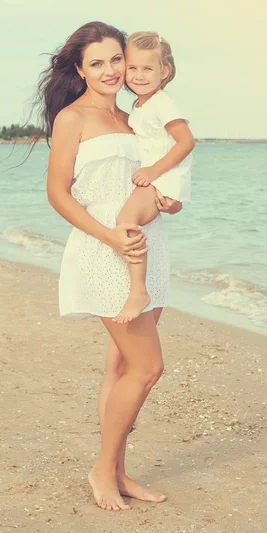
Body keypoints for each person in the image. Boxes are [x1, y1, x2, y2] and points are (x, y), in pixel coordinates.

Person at [43, 21, 182, 511]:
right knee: (148, 366)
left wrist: (166, 202)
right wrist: (107, 236)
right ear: (79, 68)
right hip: (104, 250)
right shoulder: (73, 118)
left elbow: (152, 179)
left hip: (149, 249)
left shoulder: (136, 119)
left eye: (115, 60)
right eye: (96, 62)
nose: (109, 70)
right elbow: (57, 192)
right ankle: (103, 469)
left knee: (122, 365)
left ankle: (119, 472)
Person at [113, 31, 195, 323]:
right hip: (158, 176)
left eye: (148, 68)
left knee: (126, 219)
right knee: (128, 222)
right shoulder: (139, 105)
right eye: (132, 67)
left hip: (165, 175)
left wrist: (153, 172)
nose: (138, 75)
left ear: (165, 71)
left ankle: (138, 291)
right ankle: (137, 285)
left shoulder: (162, 102)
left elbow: (186, 141)